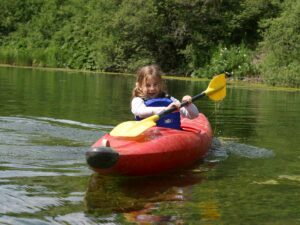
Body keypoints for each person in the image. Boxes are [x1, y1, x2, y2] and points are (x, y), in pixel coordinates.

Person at [131, 64, 199, 130]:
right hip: (147, 134)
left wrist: (188, 104)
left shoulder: (169, 99)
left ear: (160, 84)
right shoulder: (137, 100)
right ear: (140, 86)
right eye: (148, 85)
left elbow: (194, 115)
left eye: (155, 84)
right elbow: (140, 112)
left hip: (170, 135)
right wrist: (166, 109)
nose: (152, 88)